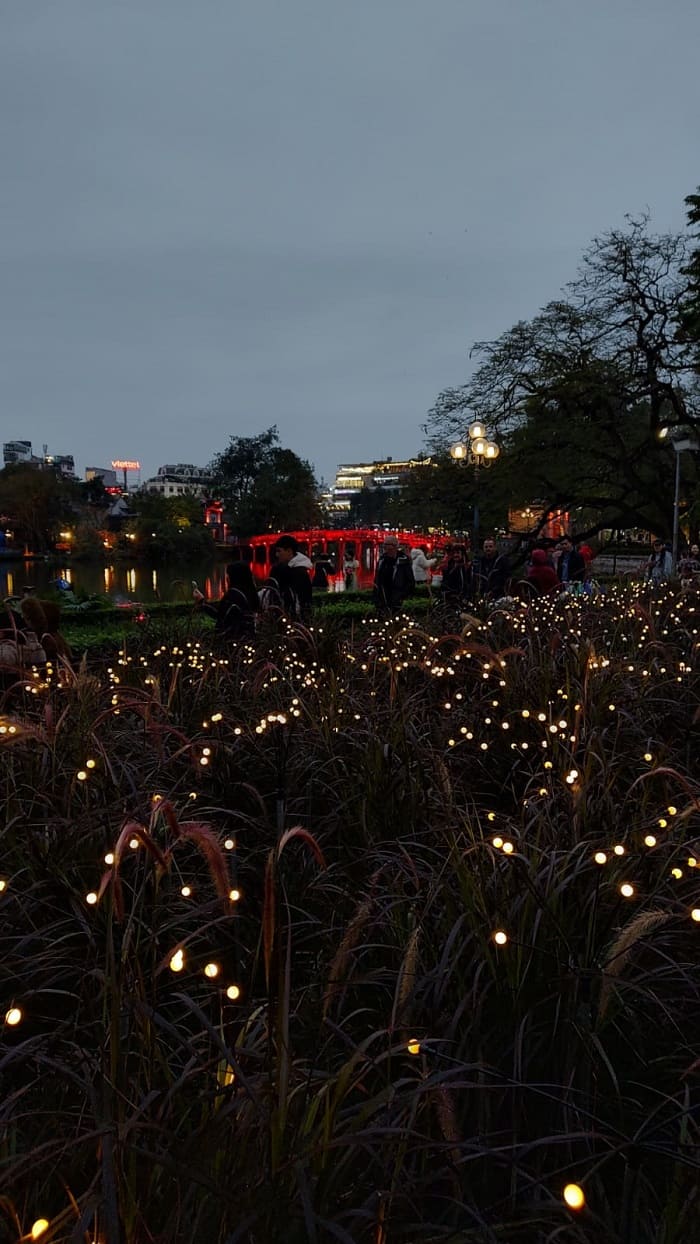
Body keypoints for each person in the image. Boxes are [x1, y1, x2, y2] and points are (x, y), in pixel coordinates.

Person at [193, 563, 259, 641]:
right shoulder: (252, 593)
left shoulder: (233, 594)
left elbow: (219, 614)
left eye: (228, 575)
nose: (226, 578)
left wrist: (201, 601)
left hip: (231, 638)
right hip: (249, 636)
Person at [270, 535, 313, 621]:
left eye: (279, 551)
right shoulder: (280, 569)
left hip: (294, 619)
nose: (277, 555)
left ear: (289, 551)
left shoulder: (299, 572)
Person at [373, 536, 415, 612]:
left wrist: (402, 596)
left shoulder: (403, 561)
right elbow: (377, 580)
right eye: (384, 545)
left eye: (388, 545)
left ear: (395, 546)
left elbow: (410, 581)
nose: (386, 548)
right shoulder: (382, 560)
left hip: (398, 598)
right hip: (383, 598)